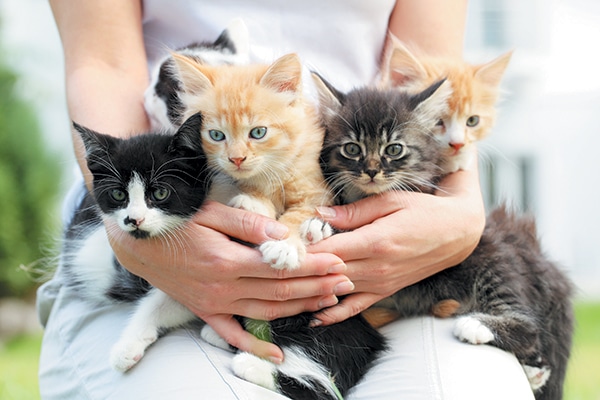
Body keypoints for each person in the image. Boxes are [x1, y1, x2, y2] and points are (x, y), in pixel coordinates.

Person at [37, 0, 534, 398]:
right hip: (166, 219)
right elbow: (100, 64)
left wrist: (459, 219)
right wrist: (139, 237)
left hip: (379, 256)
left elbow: (435, 97)